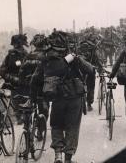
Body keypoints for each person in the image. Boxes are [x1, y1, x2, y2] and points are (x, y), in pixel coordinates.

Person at [31, 31, 94, 163]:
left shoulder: (46, 60)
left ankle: (58, 155)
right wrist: (76, 59)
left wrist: (33, 99)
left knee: (56, 125)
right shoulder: (72, 57)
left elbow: (34, 80)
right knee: (72, 127)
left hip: (57, 98)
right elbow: (90, 70)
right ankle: (68, 158)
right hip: (74, 98)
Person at [0, 34, 28, 124]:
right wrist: (14, 79)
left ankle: (23, 120)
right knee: (19, 105)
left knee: (24, 105)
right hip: (18, 86)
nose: (16, 47)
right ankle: (21, 120)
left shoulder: (25, 54)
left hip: (23, 85)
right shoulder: (11, 55)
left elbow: (3, 72)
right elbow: (3, 72)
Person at [78, 34, 103, 111]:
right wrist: (100, 69)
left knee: (79, 84)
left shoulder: (79, 46)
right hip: (90, 69)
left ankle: (80, 102)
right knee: (91, 86)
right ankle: (89, 104)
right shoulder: (93, 48)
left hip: (80, 69)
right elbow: (97, 60)